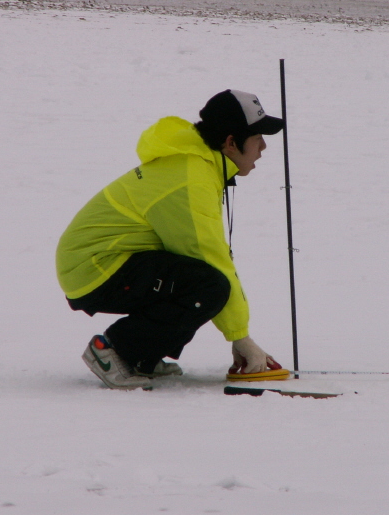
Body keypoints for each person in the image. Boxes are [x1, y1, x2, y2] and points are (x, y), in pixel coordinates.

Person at [56, 89, 284, 389]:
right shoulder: (191, 178)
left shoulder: (196, 165)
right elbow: (209, 257)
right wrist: (240, 337)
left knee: (200, 280)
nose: (264, 147)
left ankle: (141, 357)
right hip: (95, 267)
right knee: (209, 285)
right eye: (258, 138)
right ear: (230, 143)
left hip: (102, 261)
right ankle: (114, 351)